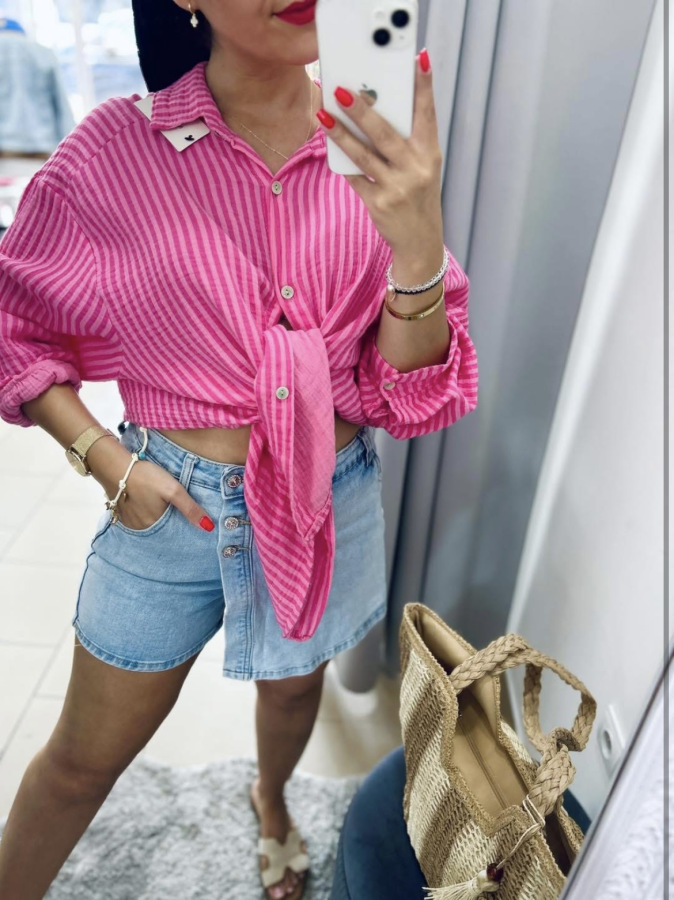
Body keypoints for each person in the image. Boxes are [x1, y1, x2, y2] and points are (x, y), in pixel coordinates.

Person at [0, 1, 479, 898]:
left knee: (295, 692)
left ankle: (272, 798)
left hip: (328, 492)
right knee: (80, 763)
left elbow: (407, 393)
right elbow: (13, 325)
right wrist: (104, 459)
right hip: (169, 508)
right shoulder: (113, 153)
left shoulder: (367, 137)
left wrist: (417, 240)